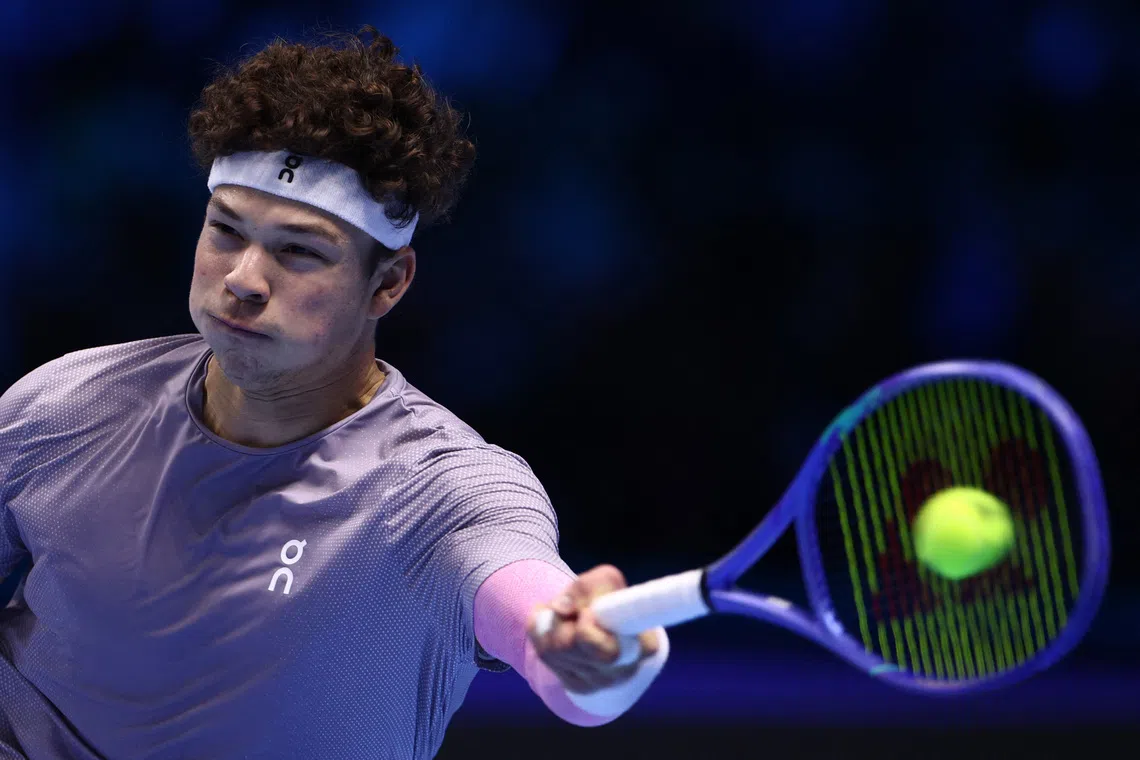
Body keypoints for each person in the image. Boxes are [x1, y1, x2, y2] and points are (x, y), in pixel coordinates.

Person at [0, 26, 667, 760]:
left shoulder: (442, 491)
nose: (243, 280)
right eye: (226, 231)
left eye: (299, 252)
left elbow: (546, 630)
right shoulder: (65, 406)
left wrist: (582, 646)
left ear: (388, 283)